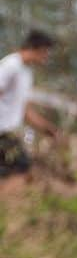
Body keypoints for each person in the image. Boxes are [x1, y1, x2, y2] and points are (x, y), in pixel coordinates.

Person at [0, 31, 58, 184]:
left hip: (9, 133)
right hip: (2, 134)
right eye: (46, 52)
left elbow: (25, 110)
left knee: (18, 168)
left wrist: (48, 129)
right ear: (37, 49)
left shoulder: (26, 73)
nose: (47, 57)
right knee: (21, 167)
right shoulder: (11, 65)